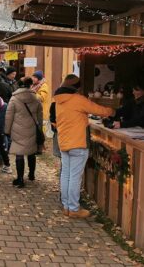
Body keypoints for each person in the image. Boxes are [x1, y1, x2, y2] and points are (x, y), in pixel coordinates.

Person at [54, 74, 114, 218]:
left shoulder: (58, 100)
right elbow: (99, 110)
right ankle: (74, 209)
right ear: (76, 87)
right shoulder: (78, 99)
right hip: (78, 143)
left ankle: (66, 207)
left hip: (64, 142)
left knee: (66, 175)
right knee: (74, 177)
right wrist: (113, 111)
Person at [4, 77, 42, 188]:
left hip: (17, 129)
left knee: (19, 153)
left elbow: (9, 116)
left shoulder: (14, 98)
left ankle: (20, 179)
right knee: (31, 151)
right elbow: (40, 115)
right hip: (31, 128)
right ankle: (31, 174)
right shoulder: (36, 98)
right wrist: (39, 128)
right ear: (30, 85)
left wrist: (7, 130)